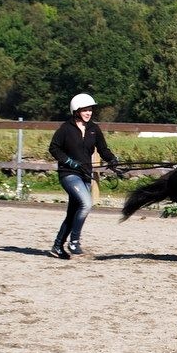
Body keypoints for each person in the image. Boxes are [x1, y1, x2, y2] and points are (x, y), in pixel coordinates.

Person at [48, 93, 119, 259]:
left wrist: (112, 159)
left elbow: (103, 149)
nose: (89, 113)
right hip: (69, 174)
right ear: (76, 111)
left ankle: (57, 246)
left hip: (85, 174)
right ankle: (74, 241)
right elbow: (54, 148)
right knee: (86, 203)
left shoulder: (94, 129)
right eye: (85, 110)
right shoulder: (65, 129)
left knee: (73, 212)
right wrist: (70, 162)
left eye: (90, 110)